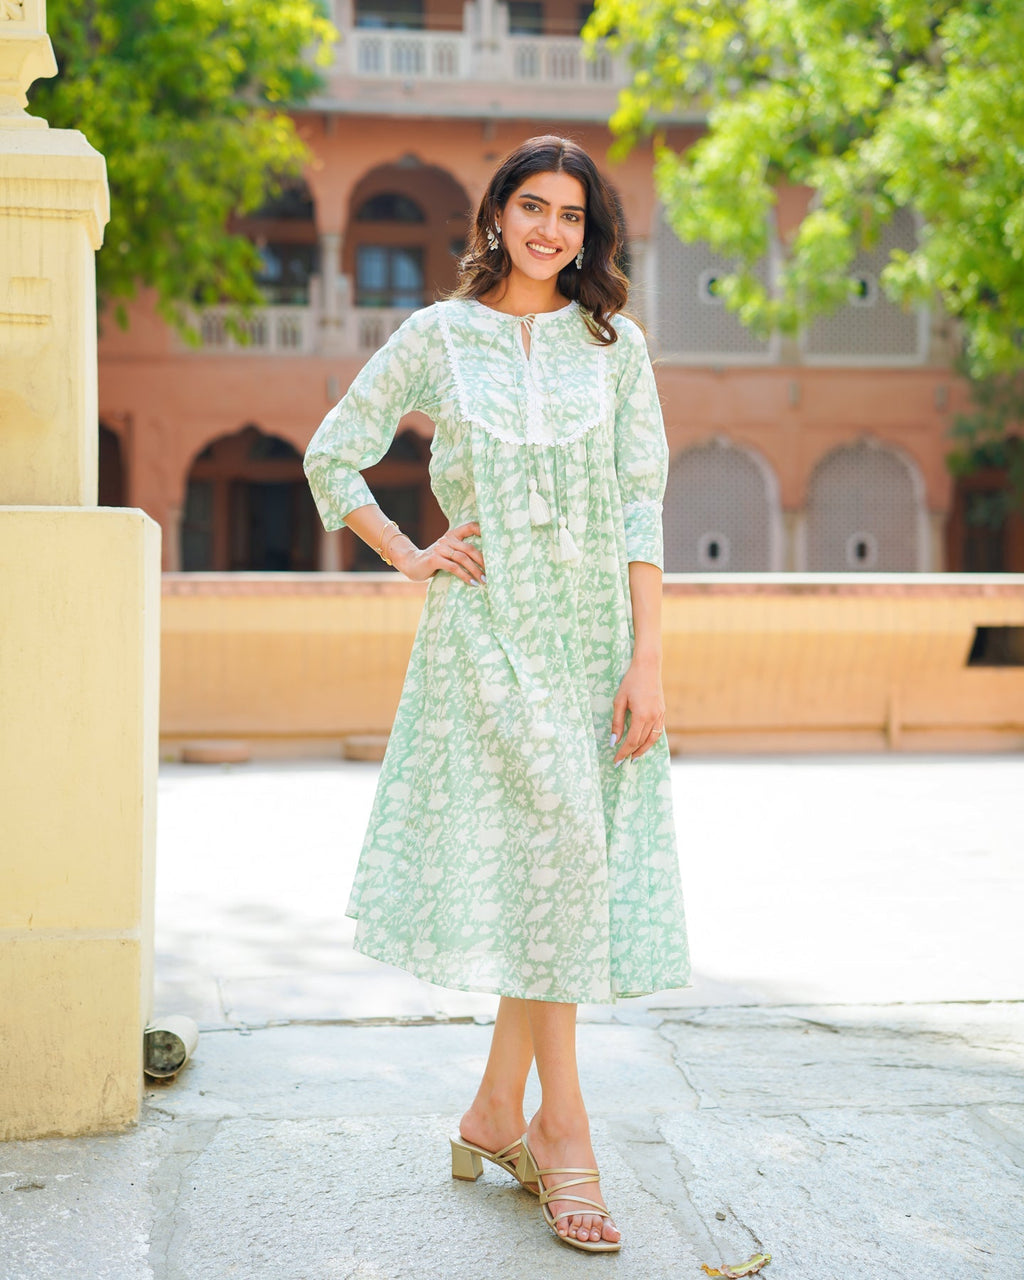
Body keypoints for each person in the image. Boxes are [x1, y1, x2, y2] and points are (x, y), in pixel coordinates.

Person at [304, 134, 689, 1253]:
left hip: (589, 642)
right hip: (485, 633)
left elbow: (638, 506)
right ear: (495, 216)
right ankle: (562, 1131)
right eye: (532, 206)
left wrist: (647, 657)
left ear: (590, 234)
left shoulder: (615, 346)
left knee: (555, 867)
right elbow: (337, 452)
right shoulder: (440, 337)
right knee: (560, 860)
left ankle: (490, 1110)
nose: (549, 231)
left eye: (571, 215)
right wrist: (408, 551)